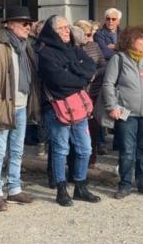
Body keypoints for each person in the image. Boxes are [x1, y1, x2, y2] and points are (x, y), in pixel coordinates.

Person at [37, 15, 99, 206]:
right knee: (61, 149)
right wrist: (80, 78)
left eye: (67, 27)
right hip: (57, 108)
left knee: (85, 148)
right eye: (62, 28)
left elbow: (90, 67)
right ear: (52, 32)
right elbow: (58, 81)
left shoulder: (73, 48)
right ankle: (61, 188)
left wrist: (73, 70)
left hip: (77, 106)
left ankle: (80, 185)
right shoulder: (46, 53)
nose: (67, 31)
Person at [0, 6, 40, 211]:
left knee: (17, 150)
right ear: (11, 25)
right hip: (4, 105)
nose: (29, 27)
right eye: (25, 23)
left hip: (21, 105)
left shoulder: (25, 46)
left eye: (30, 24)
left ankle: (14, 188)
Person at [102, 25, 143, 199]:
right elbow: (108, 84)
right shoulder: (119, 59)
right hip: (126, 113)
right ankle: (124, 185)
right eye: (142, 39)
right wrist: (112, 106)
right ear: (131, 39)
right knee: (127, 150)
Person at [75, 20, 107, 162]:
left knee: (92, 127)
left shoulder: (94, 46)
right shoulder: (72, 48)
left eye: (91, 34)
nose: (90, 37)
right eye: (87, 34)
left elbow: (104, 66)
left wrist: (95, 73)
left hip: (93, 92)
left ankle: (91, 158)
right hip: (76, 93)